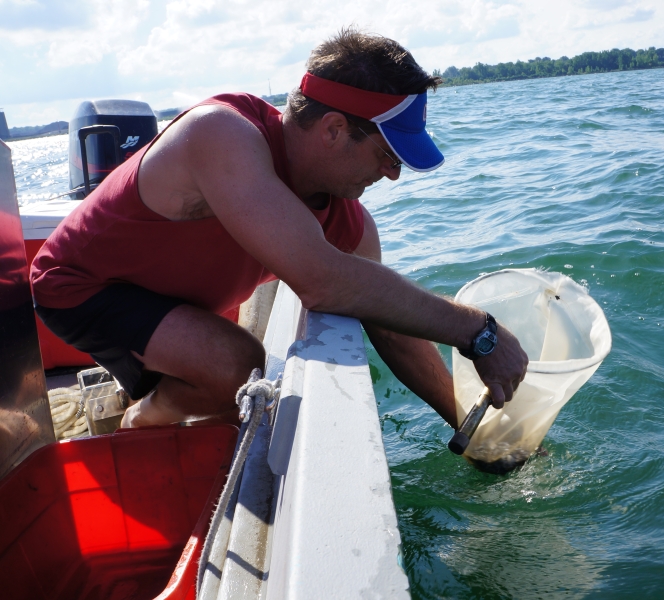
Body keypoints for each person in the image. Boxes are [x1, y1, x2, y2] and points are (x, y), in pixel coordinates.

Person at [30, 28, 528, 429]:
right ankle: (141, 420)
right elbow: (323, 280)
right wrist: (477, 331)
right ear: (334, 129)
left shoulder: (347, 223)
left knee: (231, 383)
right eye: (387, 155)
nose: (393, 174)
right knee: (237, 366)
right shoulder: (219, 133)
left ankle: (157, 390)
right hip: (82, 290)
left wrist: (472, 428)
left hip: (179, 305)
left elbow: (391, 327)